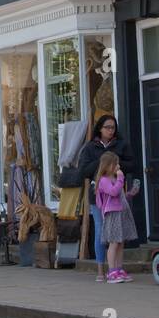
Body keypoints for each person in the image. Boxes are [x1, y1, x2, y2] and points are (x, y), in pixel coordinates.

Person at [60, 115, 137, 281]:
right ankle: (101, 270)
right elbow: (83, 172)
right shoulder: (90, 147)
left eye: (113, 127)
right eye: (107, 127)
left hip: (117, 196)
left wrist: (116, 163)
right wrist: (102, 163)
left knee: (118, 234)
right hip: (99, 198)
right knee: (102, 232)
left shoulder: (121, 144)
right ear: (100, 129)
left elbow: (132, 165)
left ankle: (117, 268)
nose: (111, 130)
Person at [94, 152, 137, 283]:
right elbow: (113, 192)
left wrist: (129, 194)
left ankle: (119, 269)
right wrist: (120, 178)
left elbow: (119, 195)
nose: (118, 166)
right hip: (112, 214)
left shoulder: (114, 178)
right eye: (115, 164)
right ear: (107, 166)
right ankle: (112, 271)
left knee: (120, 242)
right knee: (113, 243)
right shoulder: (103, 180)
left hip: (120, 212)